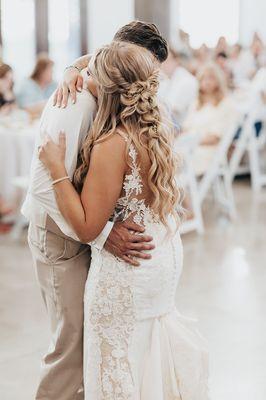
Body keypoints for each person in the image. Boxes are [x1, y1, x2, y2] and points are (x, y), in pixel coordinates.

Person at [39, 41, 209, 400]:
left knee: (117, 368)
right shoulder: (157, 127)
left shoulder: (113, 144)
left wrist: (56, 169)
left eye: (92, 75)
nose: (86, 79)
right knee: (147, 356)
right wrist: (72, 67)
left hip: (129, 270)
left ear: (107, 87)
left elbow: (86, 226)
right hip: (160, 255)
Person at [23, 21, 169, 400]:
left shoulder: (116, 103)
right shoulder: (73, 103)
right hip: (60, 237)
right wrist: (104, 233)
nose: (144, 88)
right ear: (117, 62)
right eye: (139, 72)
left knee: (93, 346)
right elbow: (42, 188)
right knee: (70, 351)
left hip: (92, 231)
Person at [182, 62, 240, 176]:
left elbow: (215, 137)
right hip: (191, 146)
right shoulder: (196, 103)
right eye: (203, 78)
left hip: (210, 151)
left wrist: (190, 142)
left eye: (211, 78)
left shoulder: (226, 103)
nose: (207, 82)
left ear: (218, 80)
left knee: (172, 157)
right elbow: (185, 128)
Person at [159, 48, 198, 123]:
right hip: (166, 123)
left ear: (176, 61)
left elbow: (172, 109)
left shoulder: (187, 80)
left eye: (167, 60)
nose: (163, 64)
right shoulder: (165, 79)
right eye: (161, 60)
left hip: (181, 126)